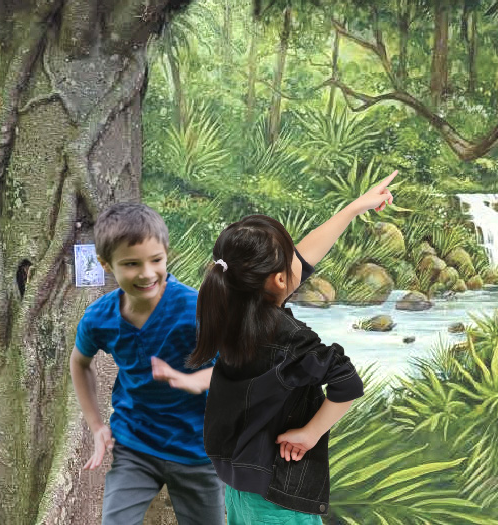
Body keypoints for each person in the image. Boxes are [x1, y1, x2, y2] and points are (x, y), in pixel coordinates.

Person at [155, 171, 397, 524]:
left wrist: (352, 210)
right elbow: (347, 383)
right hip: (278, 493)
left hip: (241, 479)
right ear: (280, 279)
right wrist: (310, 433)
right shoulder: (290, 337)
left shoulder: (227, 311)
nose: (300, 262)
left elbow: (301, 258)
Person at [70, 202, 223, 525]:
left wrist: (195, 381)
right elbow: (80, 364)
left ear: (167, 253)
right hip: (134, 446)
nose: (147, 273)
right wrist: (97, 426)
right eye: (131, 263)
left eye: (156, 260)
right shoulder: (99, 318)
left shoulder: (195, 309)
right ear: (105, 264)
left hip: (196, 450)